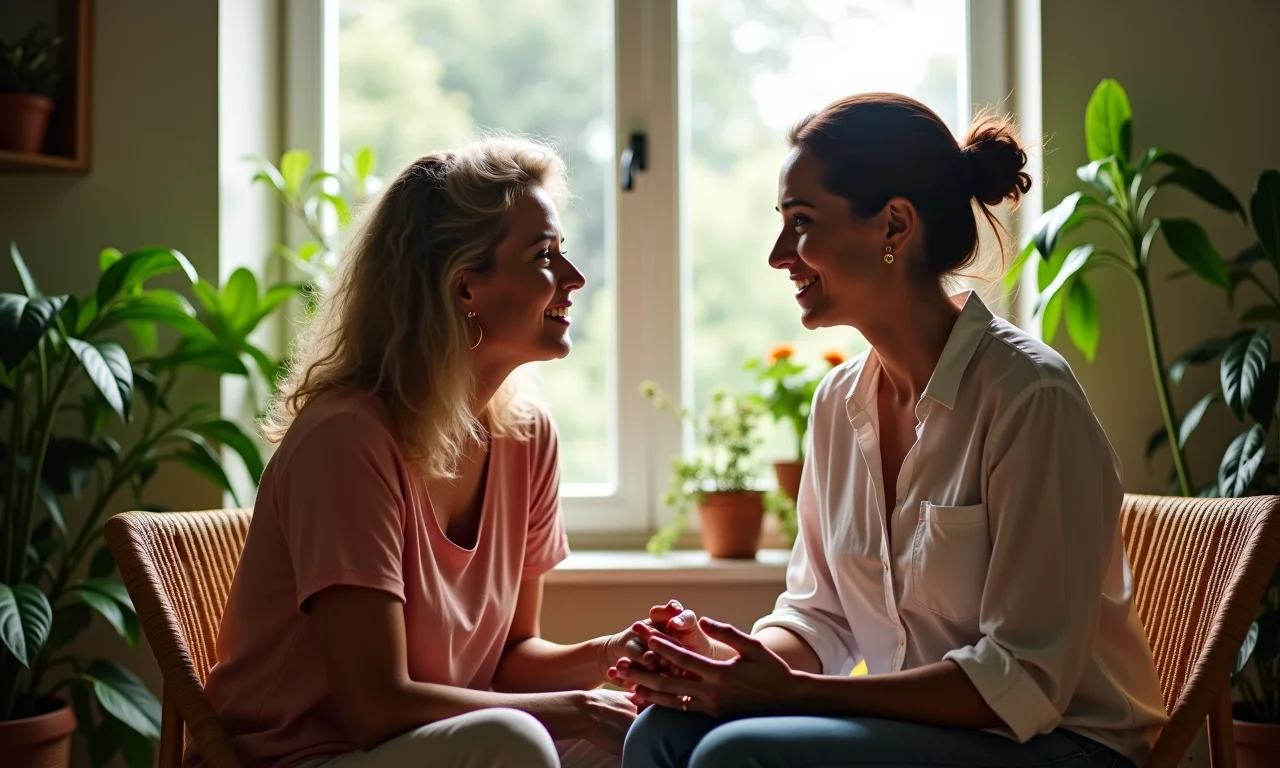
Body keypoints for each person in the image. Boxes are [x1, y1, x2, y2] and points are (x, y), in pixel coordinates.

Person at [613, 94, 1169, 768]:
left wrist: (792, 694)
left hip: (1062, 744)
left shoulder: (1029, 397)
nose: (778, 254)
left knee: (738, 755)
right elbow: (822, 616)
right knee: (661, 735)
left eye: (802, 222)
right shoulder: (837, 402)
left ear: (894, 227)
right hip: (924, 738)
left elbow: (1022, 681)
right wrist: (722, 666)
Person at [196, 137, 663, 768]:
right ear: (465, 288)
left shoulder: (527, 437)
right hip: (303, 757)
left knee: (644, 737)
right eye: (544, 255)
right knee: (520, 740)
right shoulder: (346, 441)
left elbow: (510, 659)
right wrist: (570, 708)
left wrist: (615, 654)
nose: (575, 278)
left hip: (428, 747)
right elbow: (376, 707)